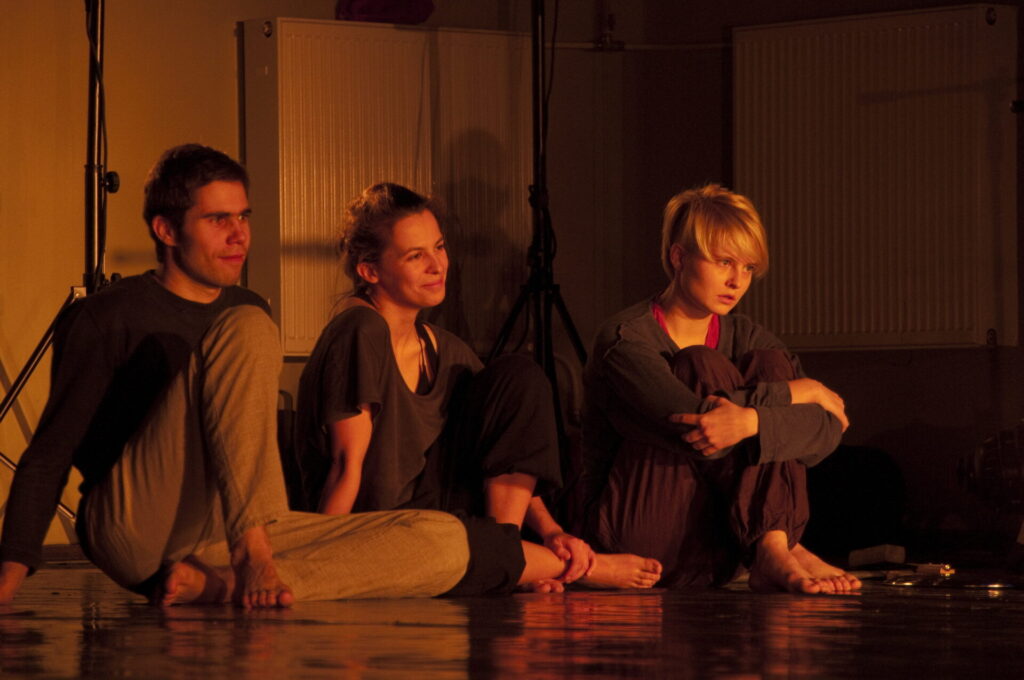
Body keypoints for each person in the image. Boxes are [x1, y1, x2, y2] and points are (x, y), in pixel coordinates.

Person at [0, 145, 485, 609]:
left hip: (225, 527)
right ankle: (253, 560)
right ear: (166, 230)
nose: (239, 235)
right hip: (138, 525)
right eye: (218, 220)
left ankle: (220, 586)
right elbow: (50, 453)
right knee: (249, 326)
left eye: (244, 217)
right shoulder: (107, 315)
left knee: (446, 539)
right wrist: (8, 576)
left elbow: (245, 449)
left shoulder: (246, 305)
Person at [294, 182, 662, 592]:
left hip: (443, 521)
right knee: (439, 544)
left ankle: (507, 556)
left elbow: (509, 446)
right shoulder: (358, 329)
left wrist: (553, 531)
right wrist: (322, 561)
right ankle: (547, 568)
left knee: (519, 376)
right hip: (384, 531)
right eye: (416, 256)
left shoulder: (445, 348)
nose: (437, 265)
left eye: (439, 247)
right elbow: (345, 465)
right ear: (369, 271)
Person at [578, 183, 861, 594]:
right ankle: (782, 546)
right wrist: (795, 394)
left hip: (723, 545)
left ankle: (772, 546)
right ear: (679, 257)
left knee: (771, 366)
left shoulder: (748, 336)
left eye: (748, 268)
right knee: (700, 364)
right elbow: (704, 431)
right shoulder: (626, 339)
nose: (736, 281)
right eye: (724, 262)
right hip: (638, 545)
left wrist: (750, 420)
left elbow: (827, 434)